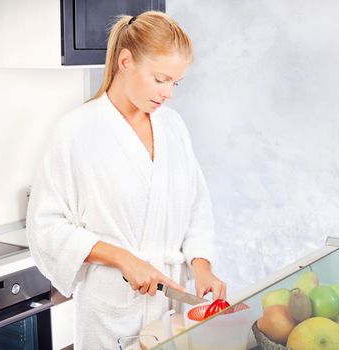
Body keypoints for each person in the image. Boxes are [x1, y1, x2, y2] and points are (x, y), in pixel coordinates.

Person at [26, 11, 226, 349]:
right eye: (160, 79)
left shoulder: (173, 127)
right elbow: (45, 227)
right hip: (109, 315)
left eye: (175, 83)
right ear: (125, 61)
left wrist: (201, 265)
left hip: (169, 312)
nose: (169, 94)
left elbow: (196, 209)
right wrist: (123, 258)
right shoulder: (77, 131)